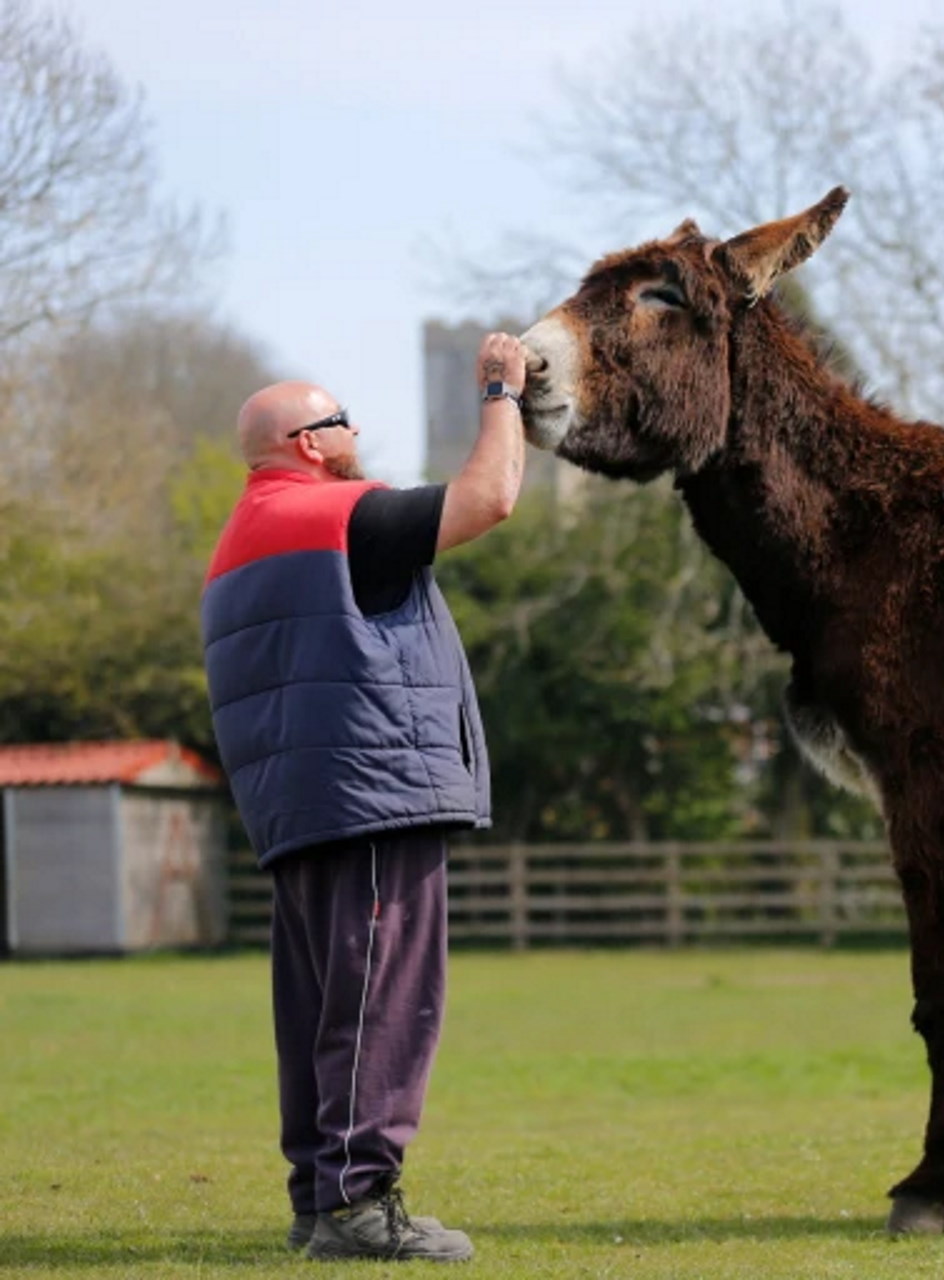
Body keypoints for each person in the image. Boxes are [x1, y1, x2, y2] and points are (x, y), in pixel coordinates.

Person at [200, 334, 529, 1262]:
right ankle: (358, 1203)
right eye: (341, 418)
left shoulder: (237, 542)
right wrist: (500, 393)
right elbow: (489, 498)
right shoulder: (341, 515)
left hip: (296, 806)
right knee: (385, 1000)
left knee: (317, 1008)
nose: (354, 431)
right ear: (309, 442)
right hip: (373, 792)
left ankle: (318, 1200)